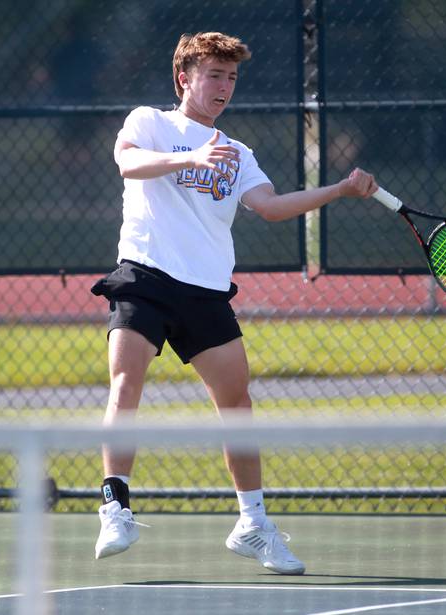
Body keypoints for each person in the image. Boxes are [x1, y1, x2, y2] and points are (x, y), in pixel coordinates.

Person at [90, 31, 378, 575]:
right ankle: (115, 505)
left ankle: (252, 524)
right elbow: (127, 164)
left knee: (237, 407)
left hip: (204, 288)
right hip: (144, 274)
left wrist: (338, 190)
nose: (224, 86)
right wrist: (191, 156)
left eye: (232, 77)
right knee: (126, 380)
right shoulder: (149, 122)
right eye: (214, 75)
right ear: (185, 78)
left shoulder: (238, 153)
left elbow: (269, 206)